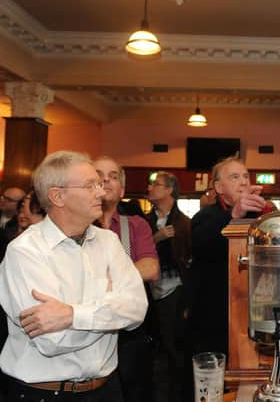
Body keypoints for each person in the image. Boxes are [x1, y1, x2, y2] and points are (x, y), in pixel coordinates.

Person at [0, 151, 148, 402]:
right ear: (58, 196)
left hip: (107, 389)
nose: (101, 192)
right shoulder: (25, 251)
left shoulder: (108, 241)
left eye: (100, 185)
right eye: (91, 185)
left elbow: (137, 311)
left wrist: (71, 314)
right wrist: (110, 309)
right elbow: (52, 341)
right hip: (44, 393)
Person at [186, 157, 274, 401]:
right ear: (218, 188)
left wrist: (269, 213)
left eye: (246, 176)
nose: (243, 181)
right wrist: (235, 214)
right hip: (214, 315)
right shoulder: (206, 216)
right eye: (234, 177)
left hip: (255, 309)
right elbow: (203, 245)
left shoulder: (263, 215)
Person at [94, 156, 160, 402]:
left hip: (127, 332)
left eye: (113, 176)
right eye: (99, 174)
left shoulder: (134, 225)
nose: (105, 180)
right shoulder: (74, 227)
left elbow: (151, 268)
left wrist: (100, 280)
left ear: (121, 190)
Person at [145, 171, 191, 402]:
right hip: (147, 291)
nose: (150, 188)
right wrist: (157, 238)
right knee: (154, 346)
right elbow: (135, 252)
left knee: (174, 345)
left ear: (169, 190)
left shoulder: (184, 223)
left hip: (175, 290)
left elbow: (190, 262)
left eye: (156, 184)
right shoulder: (144, 222)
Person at [0, 186, 25, 260]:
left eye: (9, 199)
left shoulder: (21, 224)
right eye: (3, 197)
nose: (3, 200)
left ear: (20, 204)